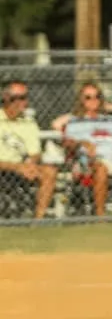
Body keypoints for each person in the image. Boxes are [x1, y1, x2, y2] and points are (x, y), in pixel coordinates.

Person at [53, 83, 112, 216]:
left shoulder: (110, 121)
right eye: (88, 97)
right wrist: (82, 142)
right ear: (81, 100)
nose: (93, 100)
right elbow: (57, 126)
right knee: (100, 168)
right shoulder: (75, 122)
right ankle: (100, 216)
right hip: (89, 162)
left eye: (97, 96)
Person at [0, 81, 56, 219]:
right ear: (6, 98)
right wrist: (17, 166)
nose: (22, 102)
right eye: (17, 98)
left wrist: (31, 164)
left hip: (21, 169)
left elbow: (35, 152)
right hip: (5, 166)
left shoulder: (28, 122)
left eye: (24, 97)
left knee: (49, 171)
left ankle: (38, 220)